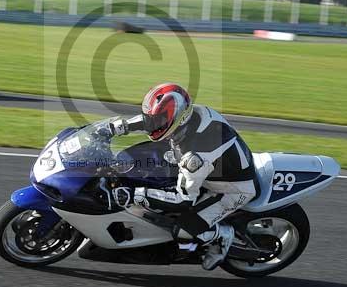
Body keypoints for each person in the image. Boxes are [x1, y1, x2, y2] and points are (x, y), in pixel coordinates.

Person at [108, 83, 258, 270]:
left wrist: (136, 195)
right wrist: (117, 128)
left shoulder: (194, 158)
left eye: (159, 120)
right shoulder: (193, 116)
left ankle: (222, 236)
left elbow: (183, 199)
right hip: (215, 166)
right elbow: (154, 120)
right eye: (153, 119)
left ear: (178, 118)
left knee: (183, 230)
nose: (154, 124)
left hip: (231, 189)